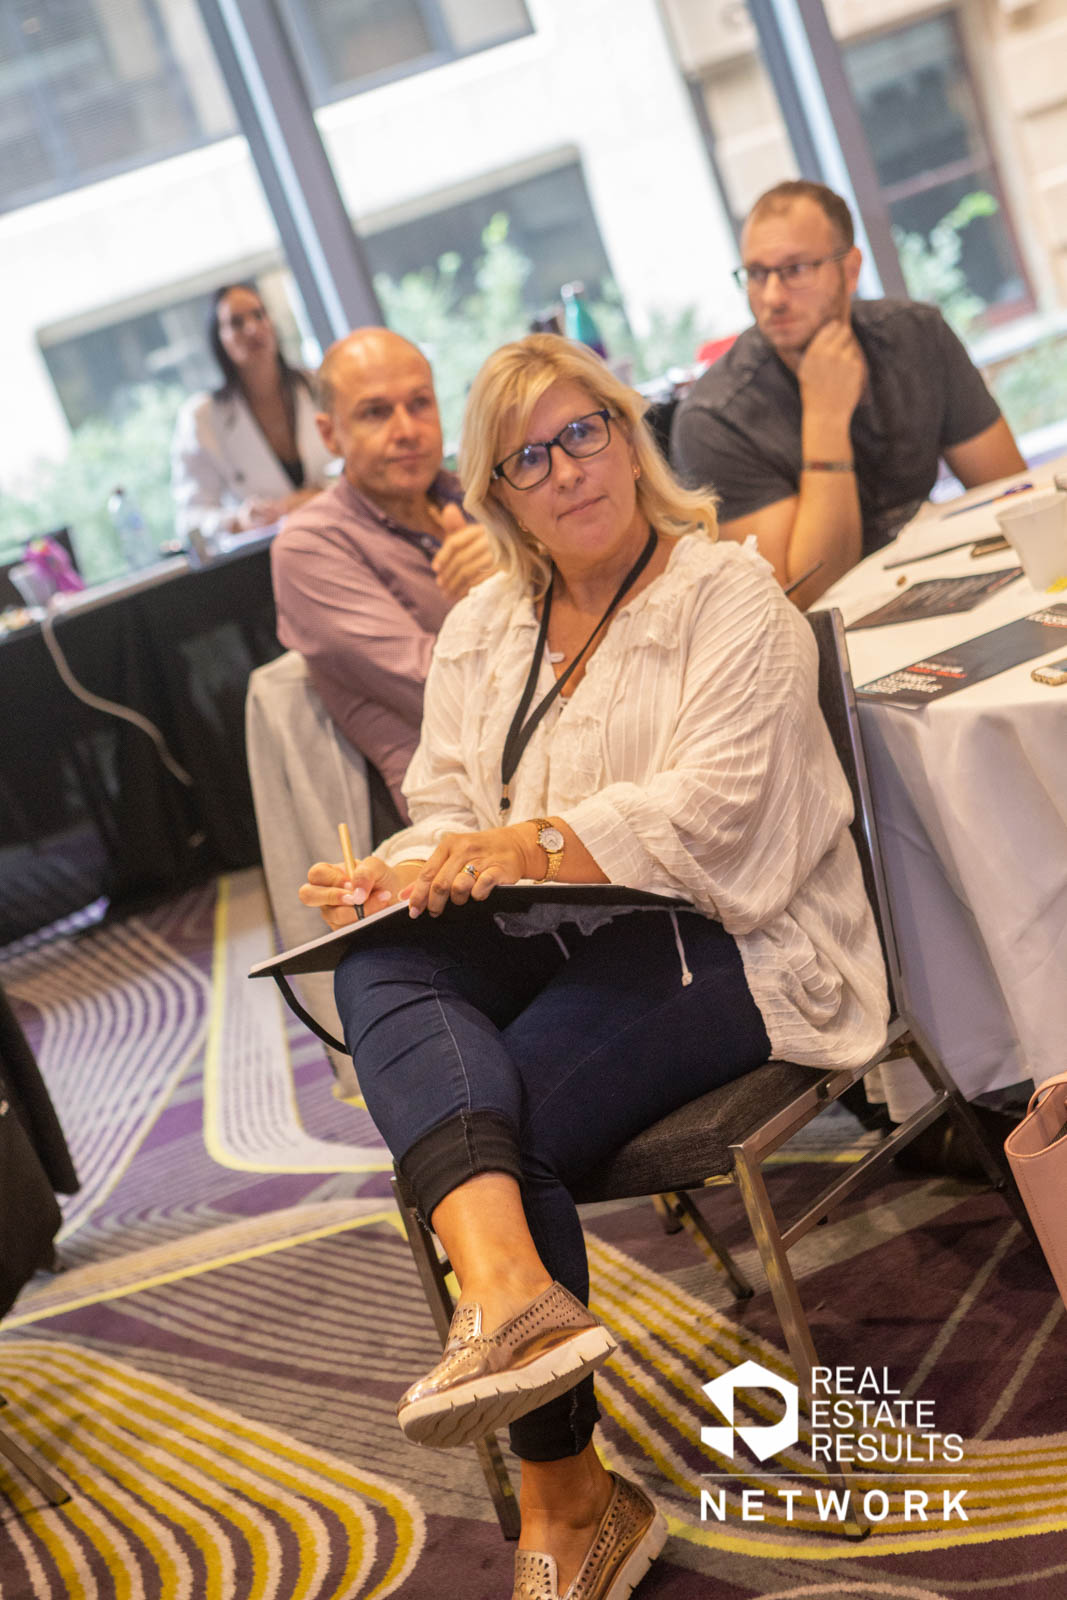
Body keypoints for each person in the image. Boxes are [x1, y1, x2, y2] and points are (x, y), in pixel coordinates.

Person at [299, 333, 889, 1599]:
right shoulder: (482, 629)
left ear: (627, 438)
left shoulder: (724, 594)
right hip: (556, 942)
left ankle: (565, 1495)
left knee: (484, 1141)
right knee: (377, 961)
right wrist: (401, 871)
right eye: (529, 456)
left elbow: (718, 818)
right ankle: (514, 1299)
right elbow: (443, 803)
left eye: (584, 432)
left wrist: (523, 844)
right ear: (498, 494)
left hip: (730, 934)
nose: (567, 468)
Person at [671, 180, 1027, 607]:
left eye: (795, 270)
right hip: (833, 632)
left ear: (851, 269)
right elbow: (804, 597)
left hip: (946, 585)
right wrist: (825, 417)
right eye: (757, 274)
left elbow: (1012, 499)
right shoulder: (714, 419)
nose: (772, 297)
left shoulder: (916, 334)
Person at [271, 327, 494, 821]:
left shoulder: (479, 495)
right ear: (329, 434)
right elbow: (442, 692)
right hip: (473, 804)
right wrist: (513, 587)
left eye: (420, 404)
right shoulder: (310, 547)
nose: (407, 429)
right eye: (375, 412)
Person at [171, 283, 337, 543]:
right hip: (267, 553)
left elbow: (360, 467)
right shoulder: (202, 418)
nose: (252, 329)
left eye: (259, 315)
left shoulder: (320, 385)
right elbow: (190, 520)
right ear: (219, 339)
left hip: (343, 530)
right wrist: (237, 521)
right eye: (236, 323)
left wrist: (307, 498)